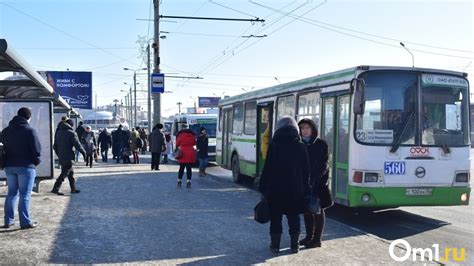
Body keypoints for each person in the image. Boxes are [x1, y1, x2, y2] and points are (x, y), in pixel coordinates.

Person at [259, 116, 310, 254]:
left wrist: (263, 187)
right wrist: (305, 187)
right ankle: (295, 245)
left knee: (276, 218)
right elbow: (306, 171)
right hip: (295, 190)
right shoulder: (301, 146)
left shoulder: (274, 146)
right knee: (294, 217)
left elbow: (267, 169)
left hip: (275, 190)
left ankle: (275, 246)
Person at [1, 107, 41, 229]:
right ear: (28, 117)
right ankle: (25, 222)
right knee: (25, 195)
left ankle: (8, 221)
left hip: (9, 166)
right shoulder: (30, 131)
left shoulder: (6, 131)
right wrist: (36, 162)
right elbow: (37, 150)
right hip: (26, 167)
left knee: (12, 193)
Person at [298, 118, 332, 249]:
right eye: (302, 128)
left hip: (318, 183)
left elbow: (324, 164)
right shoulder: (300, 144)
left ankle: (317, 239)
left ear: (313, 129)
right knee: (307, 210)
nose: (305, 131)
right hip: (304, 183)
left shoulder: (321, 144)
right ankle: (308, 237)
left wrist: (314, 179)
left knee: (317, 210)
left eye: (307, 128)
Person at [52, 119, 86, 195]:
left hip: (62, 156)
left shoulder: (58, 132)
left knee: (70, 173)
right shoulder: (72, 133)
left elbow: (55, 146)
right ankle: (55, 188)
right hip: (68, 156)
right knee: (64, 173)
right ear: (71, 125)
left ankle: (73, 189)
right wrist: (84, 153)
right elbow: (78, 145)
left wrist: (59, 154)